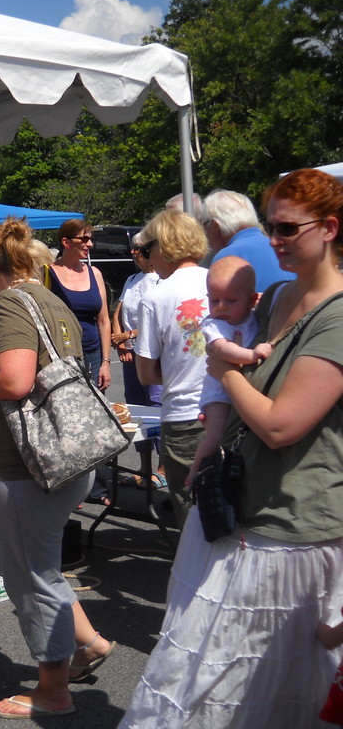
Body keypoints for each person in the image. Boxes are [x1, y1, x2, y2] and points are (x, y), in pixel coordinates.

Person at [119, 169, 343, 728]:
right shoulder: (280, 297)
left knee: (251, 678)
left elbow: (281, 425)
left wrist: (221, 369)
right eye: (271, 226)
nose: (274, 239)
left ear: (331, 229)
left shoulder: (337, 317)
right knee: (210, 668)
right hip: (248, 504)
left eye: (288, 228)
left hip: (295, 524)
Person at [0, 219, 115, 720]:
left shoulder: (12, 303)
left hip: (27, 466)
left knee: (31, 577)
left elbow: (14, 381)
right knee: (43, 569)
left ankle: (53, 690)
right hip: (61, 456)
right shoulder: (50, 297)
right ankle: (89, 646)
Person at [133, 209, 210, 527]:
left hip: (184, 416)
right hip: (233, 411)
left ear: (163, 246)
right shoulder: (220, 278)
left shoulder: (156, 297)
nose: (149, 260)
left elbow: (146, 374)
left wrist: (179, 368)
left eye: (148, 250)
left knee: (192, 515)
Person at [186, 257, 271, 483]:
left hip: (243, 390)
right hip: (218, 394)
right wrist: (251, 355)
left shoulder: (255, 317)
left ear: (252, 300)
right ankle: (196, 472)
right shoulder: (214, 324)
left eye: (231, 300)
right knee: (215, 436)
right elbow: (222, 350)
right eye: (214, 300)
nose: (221, 307)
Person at [46, 219, 113, 504]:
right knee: (67, 420)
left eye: (90, 240)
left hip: (93, 353)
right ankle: (70, 483)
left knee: (96, 419)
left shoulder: (94, 272)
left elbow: (104, 320)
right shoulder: (47, 273)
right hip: (64, 356)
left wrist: (106, 361)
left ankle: (96, 485)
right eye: (84, 239)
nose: (89, 245)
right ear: (66, 242)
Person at [111, 233, 163, 487]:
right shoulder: (132, 279)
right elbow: (118, 311)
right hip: (132, 355)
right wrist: (120, 341)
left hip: (153, 355)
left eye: (138, 249)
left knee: (156, 408)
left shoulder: (162, 280)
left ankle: (163, 470)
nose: (133, 253)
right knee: (137, 411)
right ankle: (143, 468)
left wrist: (128, 335)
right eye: (132, 248)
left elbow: (159, 321)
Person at [202, 189, 295, 292]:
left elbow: (223, 306)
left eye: (204, 224)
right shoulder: (279, 247)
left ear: (215, 226)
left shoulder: (226, 258)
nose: (204, 230)